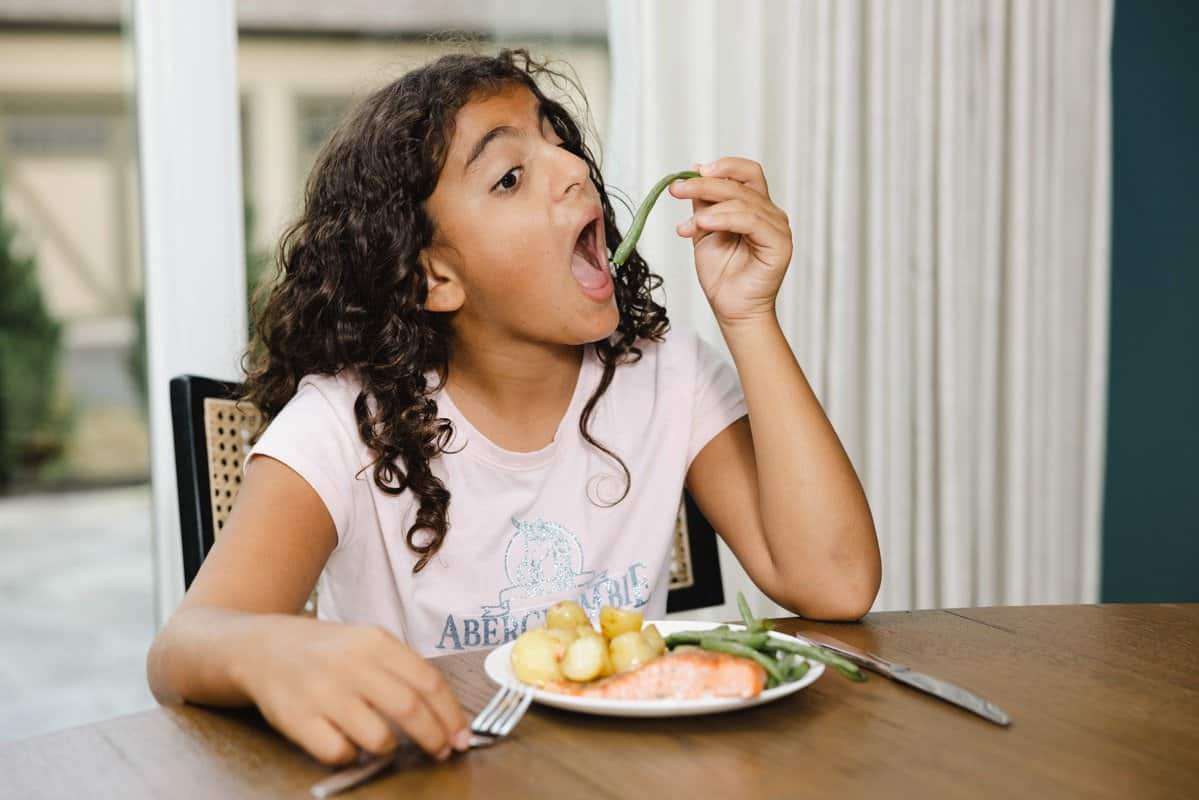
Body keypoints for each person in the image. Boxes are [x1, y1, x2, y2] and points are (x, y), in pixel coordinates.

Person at [146, 48, 881, 768]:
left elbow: (835, 582)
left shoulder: (668, 377)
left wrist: (748, 317)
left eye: (559, 142)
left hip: (631, 775)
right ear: (434, 275)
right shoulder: (344, 424)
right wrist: (275, 646)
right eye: (509, 177)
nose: (572, 170)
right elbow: (184, 648)